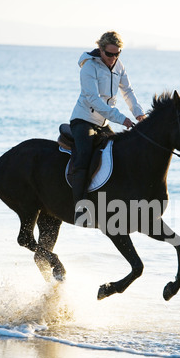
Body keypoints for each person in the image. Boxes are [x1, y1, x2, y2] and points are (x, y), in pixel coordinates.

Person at [69, 31, 146, 224]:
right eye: (109, 54)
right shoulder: (89, 67)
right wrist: (122, 119)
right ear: (100, 49)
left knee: (119, 155)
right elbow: (93, 100)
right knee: (84, 157)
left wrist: (138, 113)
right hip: (83, 120)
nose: (113, 58)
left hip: (103, 123)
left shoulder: (118, 65)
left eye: (117, 54)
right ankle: (80, 208)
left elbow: (127, 91)